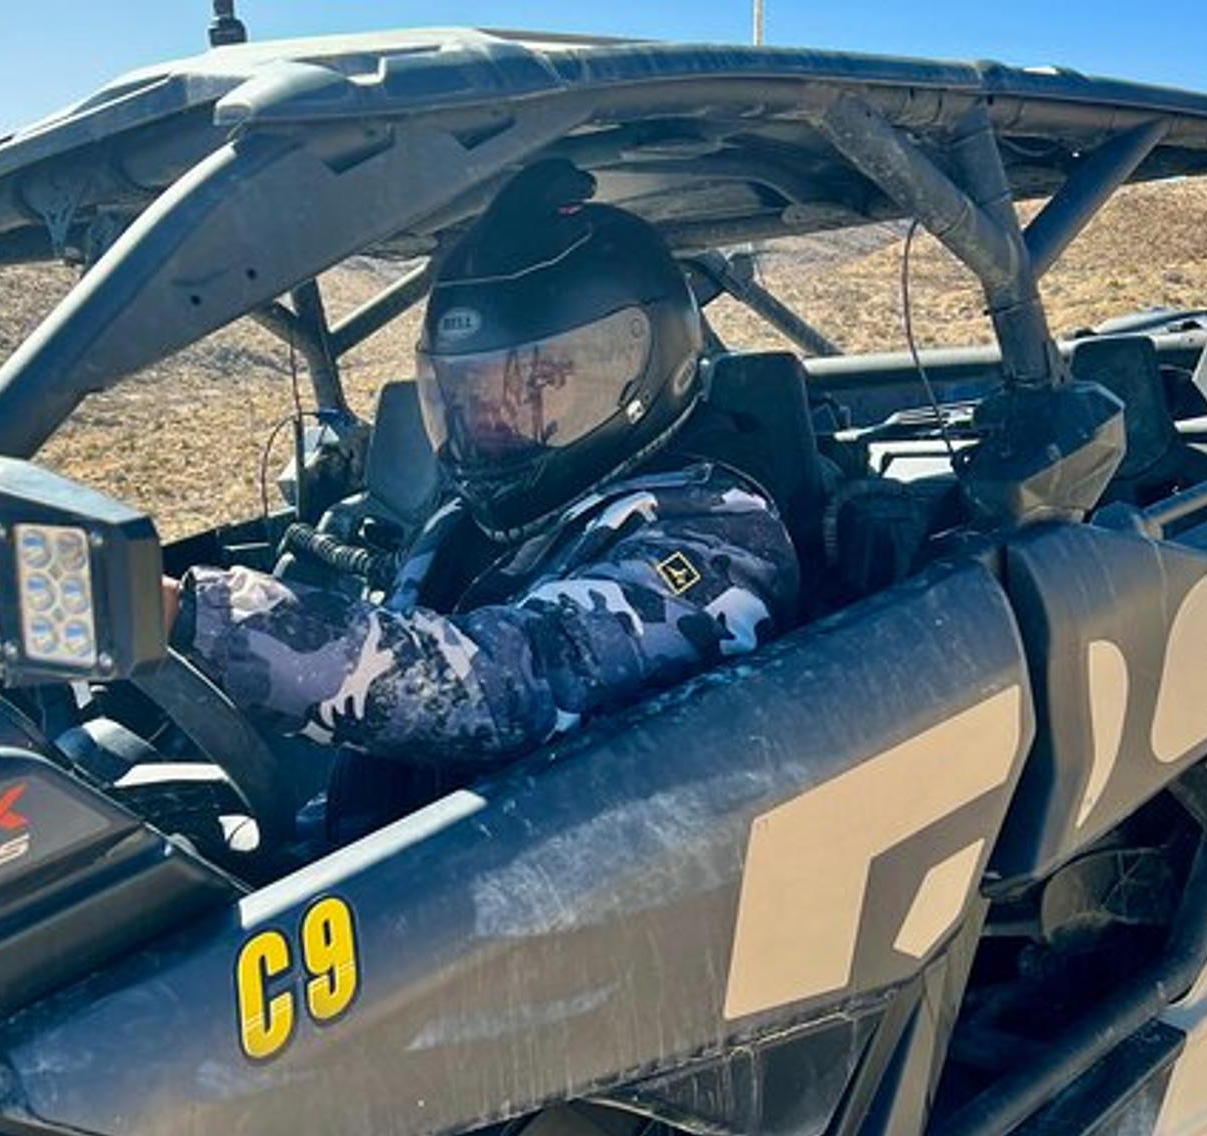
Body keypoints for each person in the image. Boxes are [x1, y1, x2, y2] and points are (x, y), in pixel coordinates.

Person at [164, 161, 800, 770]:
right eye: (469, 391)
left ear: (638, 367)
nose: (493, 418)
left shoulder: (716, 534)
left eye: (537, 383)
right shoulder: (470, 515)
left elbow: (506, 687)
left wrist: (197, 616)